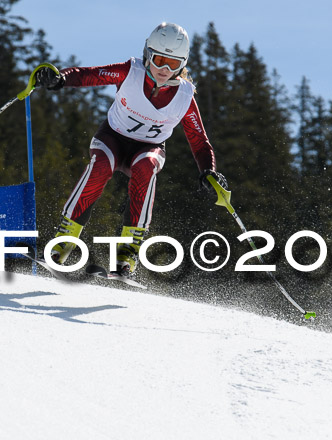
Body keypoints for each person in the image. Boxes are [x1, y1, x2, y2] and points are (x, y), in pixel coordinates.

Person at [35, 22, 228, 276]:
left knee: (146, 167)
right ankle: (63, 242)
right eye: (159, 60)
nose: (163, 69)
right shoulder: (131, 71)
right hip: (113, 138)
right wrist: (61, 79)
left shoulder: (184, 96)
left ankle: (127, 252)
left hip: (147, 148)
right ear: (148, 53)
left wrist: (208, 170)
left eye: (172, 64)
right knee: (100, 167)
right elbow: (93, 74)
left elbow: (199, 141)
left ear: (183, 63)